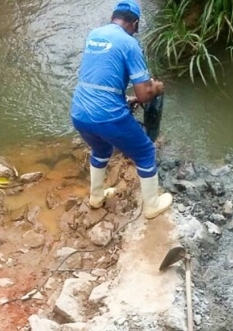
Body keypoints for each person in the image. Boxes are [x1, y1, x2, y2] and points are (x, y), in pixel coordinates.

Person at [71, 0, 173, 219]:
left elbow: (98, 81)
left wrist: (127, 99)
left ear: (113, 18)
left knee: (101, 151)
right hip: (106, 116)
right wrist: (155, 88)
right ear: (135, 23)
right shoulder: (129, 43)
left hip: (79, 112)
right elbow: (146, 94)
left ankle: (96, 197)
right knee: (146, 152)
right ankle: (152, 206)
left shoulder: (95, 34)